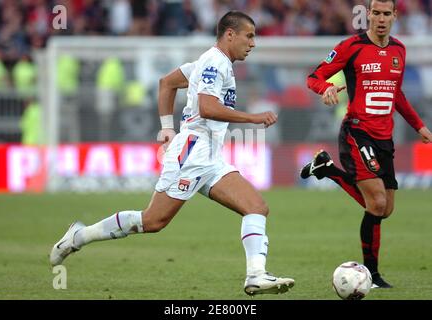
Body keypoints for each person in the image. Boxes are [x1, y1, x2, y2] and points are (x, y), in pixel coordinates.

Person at [50, 11, 295, 296]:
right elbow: (207, 107)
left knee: (256, 207)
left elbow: (166, 82)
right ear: (230, 34)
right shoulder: (214, 63)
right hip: (193, 153)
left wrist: (167, 127)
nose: (253, 43)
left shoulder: (210, 62)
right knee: (153, 221)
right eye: (249, 35)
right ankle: (79, 236)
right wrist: (253, 118)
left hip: (210, 156)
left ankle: (255, 275)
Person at [300, 0, 432, 289]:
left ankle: (327, 169)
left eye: (387, 14)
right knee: (376, 203)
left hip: (385, 138)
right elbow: (314, 77)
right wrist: (327, 88)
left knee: (385, 210)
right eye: (377, 13)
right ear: (368, 15)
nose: (381, 19)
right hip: (357, 133)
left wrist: (419, 126)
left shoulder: (399, 49)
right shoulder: (351, 47)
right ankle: (372, 275)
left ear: (395, 16)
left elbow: (396, 95)